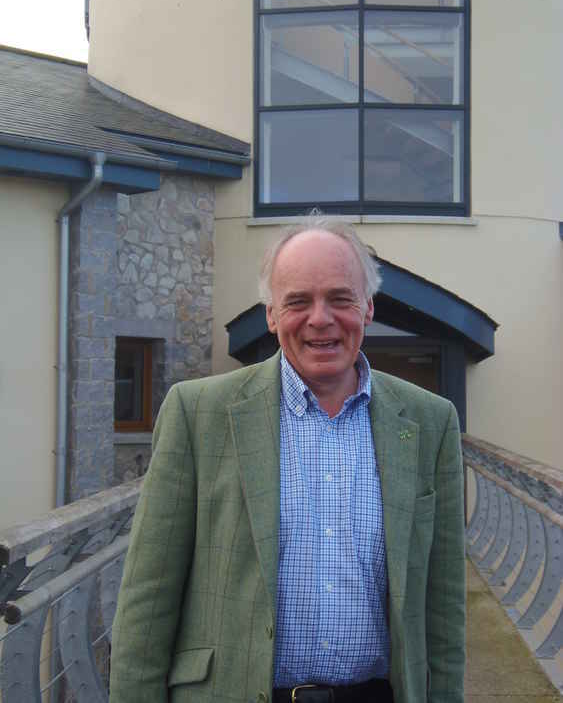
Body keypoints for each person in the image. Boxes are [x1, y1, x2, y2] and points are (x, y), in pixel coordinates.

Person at [109, 218, 466, 703]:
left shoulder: (431, 422)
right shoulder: (197, 414)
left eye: (340, 298)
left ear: (367, 309)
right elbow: (147, 603)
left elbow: (443, 609)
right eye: (298, 301)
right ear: (271, 315)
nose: (321, 319)